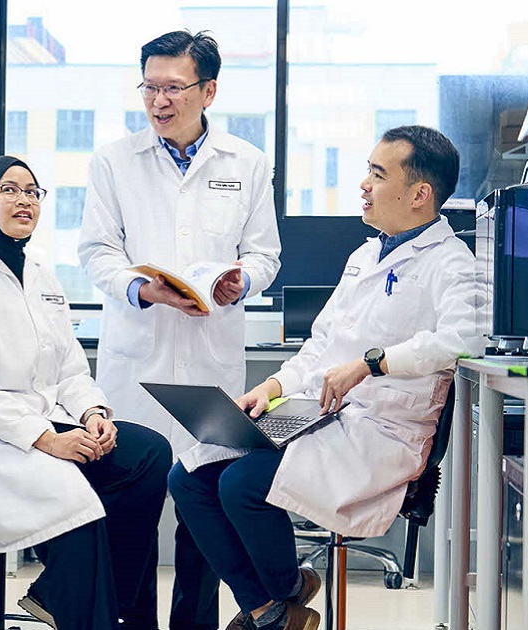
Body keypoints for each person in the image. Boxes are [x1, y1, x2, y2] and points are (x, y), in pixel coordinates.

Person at [169, 125, 482, 630]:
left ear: (420, 194)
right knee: (188, 477)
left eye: (378, 175)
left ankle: (287, 592)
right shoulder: (363, 256)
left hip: (381, 432)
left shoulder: (452, 263)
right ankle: (270, 610)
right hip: (317, 413)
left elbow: (463, 340)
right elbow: (320, 347)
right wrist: (271, 388)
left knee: (242, 485)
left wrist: (373, 362)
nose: (364, 184)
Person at [78, 30, 282, 630]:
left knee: (204, 503)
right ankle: (131, 622)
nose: (158, 100)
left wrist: (238, 284)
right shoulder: (113, 161)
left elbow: (266, 256)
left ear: (208, 91)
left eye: (173, 88)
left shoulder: (246, 162)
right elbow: (96, 252)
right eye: (150, 87)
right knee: (133, 505)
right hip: (135, 357)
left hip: (209, 359)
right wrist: (144, 289)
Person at [0, 156, 172, 629]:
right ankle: (91, 610)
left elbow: (70, 367)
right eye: (9, 189)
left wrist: (93, 413)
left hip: (51, 418)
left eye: (32, 191)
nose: (24, 200)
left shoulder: (41, 272)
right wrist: (48, 439)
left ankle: (72, 596)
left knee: (148, 454)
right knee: (72, 493)